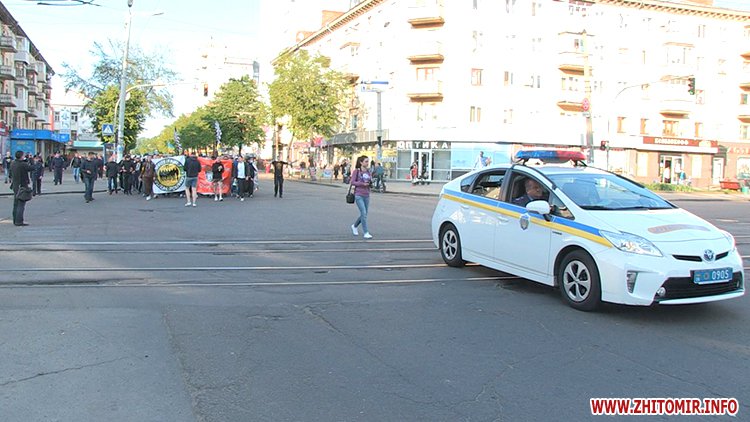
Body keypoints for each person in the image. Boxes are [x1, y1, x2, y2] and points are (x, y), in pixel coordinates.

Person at [349, 155, 374, 239]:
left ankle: (354, 226)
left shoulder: (368, 171)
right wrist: (362, 184)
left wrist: (370, 183)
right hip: (358, 194)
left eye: (368, 161)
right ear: (361, 162)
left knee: (365, 214)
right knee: (363, 213)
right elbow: (352, 182)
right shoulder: (357, 171)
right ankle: (366, 232)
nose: (367, 163)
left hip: (366, 194)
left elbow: (369, 181)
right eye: (366, 161)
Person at [9, 150, 32, 226]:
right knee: (21, 204)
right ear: (21, 156)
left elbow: (10, 174)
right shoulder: (22, 164)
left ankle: (15, 220)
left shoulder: (13, 163)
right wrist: (30, 160)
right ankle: (19, 221)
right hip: (22, 186)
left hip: (15, 185)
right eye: (24, 155)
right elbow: (31, 168)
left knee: (16, 204)